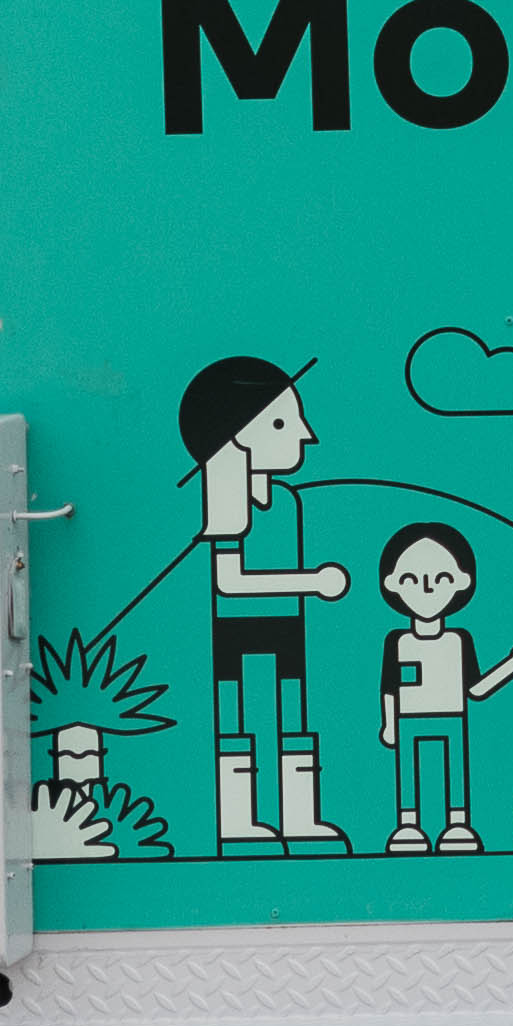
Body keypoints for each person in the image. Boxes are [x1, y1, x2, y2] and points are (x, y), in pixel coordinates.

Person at [177, 356, 346, 852]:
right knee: (239, 722)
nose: (305, 435)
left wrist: (303, 589)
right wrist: (310, 581)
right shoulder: (225, 497)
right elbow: (229, 582)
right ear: (236, 433)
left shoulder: (287, 501)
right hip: (236, 632)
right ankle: (238, 819)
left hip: (286, 626)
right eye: (280, 421)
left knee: (292, 720)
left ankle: (300, 817)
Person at [370, 522, 513, 854]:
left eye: (441, 579)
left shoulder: (458, 640)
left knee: (455, 771)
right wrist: (389, 724)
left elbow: (476, 689)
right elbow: (389, 686)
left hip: (451, 715)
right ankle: (408, 825)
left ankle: (458, 824)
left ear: (462, 581)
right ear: (392, 584)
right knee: (409, 773)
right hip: (409, 718)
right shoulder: (397, 641)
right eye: (411, 579)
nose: (427, 588)